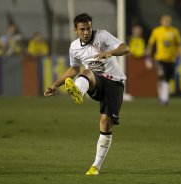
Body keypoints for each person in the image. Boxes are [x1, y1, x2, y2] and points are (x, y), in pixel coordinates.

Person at [44, 13, 130, 175]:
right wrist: (55, 85)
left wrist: (110, 53)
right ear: (75, 30)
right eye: (82, 29)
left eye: (88, 28)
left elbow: (126, 48)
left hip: (114, 83)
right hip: (95, 81)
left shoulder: (102, 35)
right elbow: (74, 69)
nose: (86, 32)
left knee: (105, 122)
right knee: (86, 71)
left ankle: (95, 166)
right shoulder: (74, 47)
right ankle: (78, 92)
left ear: (92, 27)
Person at [146, 14, 181, 105]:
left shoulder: (175, 31)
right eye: (165, 20)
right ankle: (164, 99)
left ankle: (162, 96)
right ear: (161, 21)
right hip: (160, 58)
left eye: (168, 20)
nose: (166, 22)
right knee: (163, 77)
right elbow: (150, 45)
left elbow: (180, 44)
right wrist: (148, 58)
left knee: (167, 79)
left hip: (171, 59)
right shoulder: (156, 31)